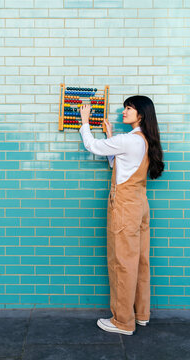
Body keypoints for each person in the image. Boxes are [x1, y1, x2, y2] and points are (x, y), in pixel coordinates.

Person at [80, 96, 164, 336]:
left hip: (125, 207)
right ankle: (141, 315)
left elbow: (92, 147)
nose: (124, 111)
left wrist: (85, 122)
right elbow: (117, 165)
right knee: (139, 261)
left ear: (141, 114)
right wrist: (110, 136)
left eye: (129, 108)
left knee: (121, 264)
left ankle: (122, 322)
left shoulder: (128, 140)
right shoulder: (144, 140)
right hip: (139, 205)